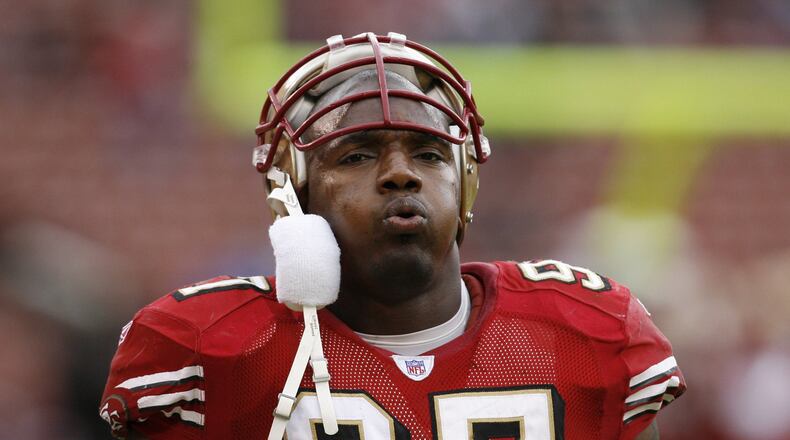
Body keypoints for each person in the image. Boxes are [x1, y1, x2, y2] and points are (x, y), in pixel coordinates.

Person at [99, 32, 685, 440]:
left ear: (464, 188)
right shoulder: (213, 349)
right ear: (294, 200)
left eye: (429, 154)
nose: (401, 173)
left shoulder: (584, 330)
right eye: (355, 155)